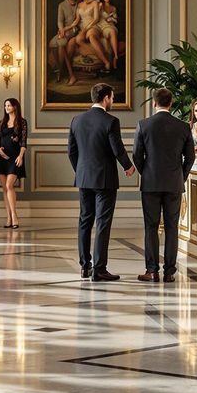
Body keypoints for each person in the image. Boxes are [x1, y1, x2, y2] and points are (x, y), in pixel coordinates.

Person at [67, 83, 135, 281]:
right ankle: (99, 269)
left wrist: (80, 170)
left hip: (83, 177)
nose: (112, 101)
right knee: (103, 223)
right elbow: (117, 148)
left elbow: (71, 151)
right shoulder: (111, 120)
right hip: (105, 179)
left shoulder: (76, 120)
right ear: (106, 98)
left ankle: (84, 266)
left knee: (84, 220)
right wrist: (128, 166)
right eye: (112, 98)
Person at [133, 88, 196, 282]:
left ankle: (152, 270)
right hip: (174, 183)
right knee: (171, 227)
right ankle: (169, 272)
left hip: (150, 183)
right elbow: (190, 157)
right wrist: (181, 176)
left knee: (150, 227)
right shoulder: (183, 127)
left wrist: (147, 173)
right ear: (171, 103)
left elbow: (136, 155)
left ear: (154, 103)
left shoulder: (143, 125)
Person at [0, 98, 28, 229]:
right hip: (2, 158)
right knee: (5, 188)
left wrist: (20, 156)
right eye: (5, 105)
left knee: (9, 185)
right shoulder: (2, 122)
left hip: (15, 157)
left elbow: (23, 142)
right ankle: (8, 217)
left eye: (9, 105)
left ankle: (14, 216)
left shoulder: (22, 122)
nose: (6, 107)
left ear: (15, 107)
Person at [71, 0, 114, 73]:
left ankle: (106, 62)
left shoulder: (94, 2)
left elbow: (96, 19)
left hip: (93, 26)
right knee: (78, 40)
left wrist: (86, 28)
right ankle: (100, 56)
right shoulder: (79, 5)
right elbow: (77, 20)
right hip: (84, 27)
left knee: (91, 36)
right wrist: (66, 28)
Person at [48, 0, 80, 82]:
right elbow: (60, 21)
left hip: (74, 28)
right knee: (52, 43)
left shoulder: (79, 3)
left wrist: (65, 30)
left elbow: (77, 21)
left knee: (61, 43)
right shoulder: (62, 5)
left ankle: (71, 75)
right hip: (64, 29)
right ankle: (59, 68)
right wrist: (61, 29)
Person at [97, 0, 120, 70]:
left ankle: (116, 56)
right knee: (111, 31)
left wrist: (112, 19)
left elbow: (116, 20)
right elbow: (96, 17)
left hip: (111, 25)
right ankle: (115, 57)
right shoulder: (100, 5)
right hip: (102, 26)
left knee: (113, 30)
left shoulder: (113, 8)